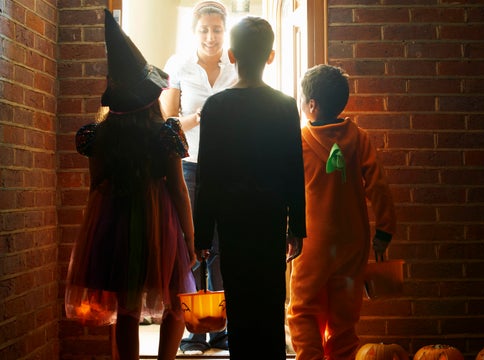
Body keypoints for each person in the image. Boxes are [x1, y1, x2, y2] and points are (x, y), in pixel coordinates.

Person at [64, 10, 196, 360]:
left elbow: (96, 185)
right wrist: (190, 236)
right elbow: (179, 189)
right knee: (176, 300)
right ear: (150, 96)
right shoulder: (165, 132)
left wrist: (96, 230)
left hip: (115, 221)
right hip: (160, 223)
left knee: (127, 309)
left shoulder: (98, 135)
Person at [193, 16, 306, 359]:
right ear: (270, 56)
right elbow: (293, 171)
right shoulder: (286, 106)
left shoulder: (216, 107)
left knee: (240, 304)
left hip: (233, 222)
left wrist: (202, 235)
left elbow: (207, 175)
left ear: (230, 55)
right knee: (271, 303)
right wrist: (297, 226)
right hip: (270, 218)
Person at [286, 64, 397, 360]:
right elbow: (379, 187)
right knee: (344, 320)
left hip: (312, 245)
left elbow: (288, 192)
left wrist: (286, 230)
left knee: (304, 310)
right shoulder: (359, 138)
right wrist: (384, 231)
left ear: (311, 105)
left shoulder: (298, 142)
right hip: (352, 244)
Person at [158, 0, 237, 353]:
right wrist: (203, 117)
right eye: (204, 30)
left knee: (221, 246)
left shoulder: (235, 66)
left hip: (227, 166)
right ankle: (193, 328)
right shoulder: (178, 65)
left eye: (217, 29)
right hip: (187, 165)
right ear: (194, 32)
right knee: (190, 245)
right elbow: (167, 121)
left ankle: (220, 326)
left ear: (226, 31)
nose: (211, 37)